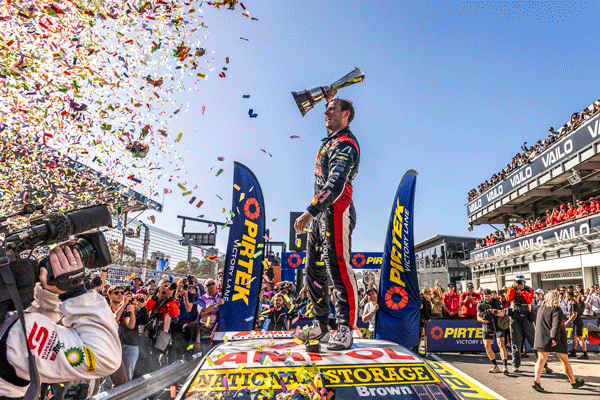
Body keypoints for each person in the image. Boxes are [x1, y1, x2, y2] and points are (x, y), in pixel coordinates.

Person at [0, 245, 121, 398]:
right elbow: (104, 357)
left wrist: (49, 294)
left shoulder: (14, 333)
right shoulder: (14, 335)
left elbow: (37, 326)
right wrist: (75, 291)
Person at [293, 85, 361, 351]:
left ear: (346, 115)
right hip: (321, 216)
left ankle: (345, 328)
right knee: (314, 270)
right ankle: (321, 326)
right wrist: (328, 97)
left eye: (332, 109)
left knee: (338, 268)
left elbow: (335, 183)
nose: (326, 112)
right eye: (326, 109)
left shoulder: (346, 142)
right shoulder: (330, 141)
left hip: (337, 211)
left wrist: (310, 211)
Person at [533, 290, 584, 392]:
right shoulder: (557, 309)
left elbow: (537, 322)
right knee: (564, 360)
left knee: (541, 359)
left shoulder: (541, 308)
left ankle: (536, 382)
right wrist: (554, 338)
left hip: (542, 336)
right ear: (556, 298)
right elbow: (556, 325)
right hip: (556, 338)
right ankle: (573, 382)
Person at [505, 275, 540, 373]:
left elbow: (529, 300)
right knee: (515, 342)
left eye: (521, 282)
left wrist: (522, 291)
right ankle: (515, 365)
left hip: (527, 317)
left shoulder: (529, 290)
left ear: (524, 282)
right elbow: (508, 298)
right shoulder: (511, 289)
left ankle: (543, 364)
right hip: (515, 317)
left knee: (534, 341)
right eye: (518, 282)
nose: (520, 284)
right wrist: (513, 288)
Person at [477, 289, 509, 375]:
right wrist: (483, 320)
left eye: (489, 296)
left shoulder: (497, 302)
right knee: (487, 346)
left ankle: (505, 366)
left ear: (491, 295)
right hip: (487, 325)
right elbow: (478, 317)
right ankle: (495, 366)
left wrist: (493, 311)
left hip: (498, 324)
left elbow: (502, 313)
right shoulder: (480, 303)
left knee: (501, 343)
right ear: (483, 296)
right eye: (485, 296)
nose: (487, 298)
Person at [197, 278, 224, 356]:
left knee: (218, 352)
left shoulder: (221, 296)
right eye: (208, 285)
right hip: (206, 329)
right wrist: (216, 305)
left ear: (215, 285)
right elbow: (202, 312)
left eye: (213, 283)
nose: (211, 286)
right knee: (206, 354)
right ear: (205, 287)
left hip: (220, 328)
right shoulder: (202, 298)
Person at [565, 291, 588, 359]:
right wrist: (569, 316)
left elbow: (575, 315)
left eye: (566, 296)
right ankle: (574, 352)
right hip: (576, 322)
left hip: (577, 323)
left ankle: (585, 354)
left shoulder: (573, 304)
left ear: (569, 296)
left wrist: (567, 322)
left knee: (580, 338)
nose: (565, 297)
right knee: (574, 336)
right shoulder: (574, 303)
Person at [417, 288, 432, 354]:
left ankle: (417, 349)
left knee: (419, 335)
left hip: (418, 319)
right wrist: (427, 317)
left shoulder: (421, 299)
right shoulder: (423, 300)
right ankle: (417, 349)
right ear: (426, 294)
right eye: (429, 294)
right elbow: (425, 310)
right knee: (420, 335)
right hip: (421, 319)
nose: (430, 296)